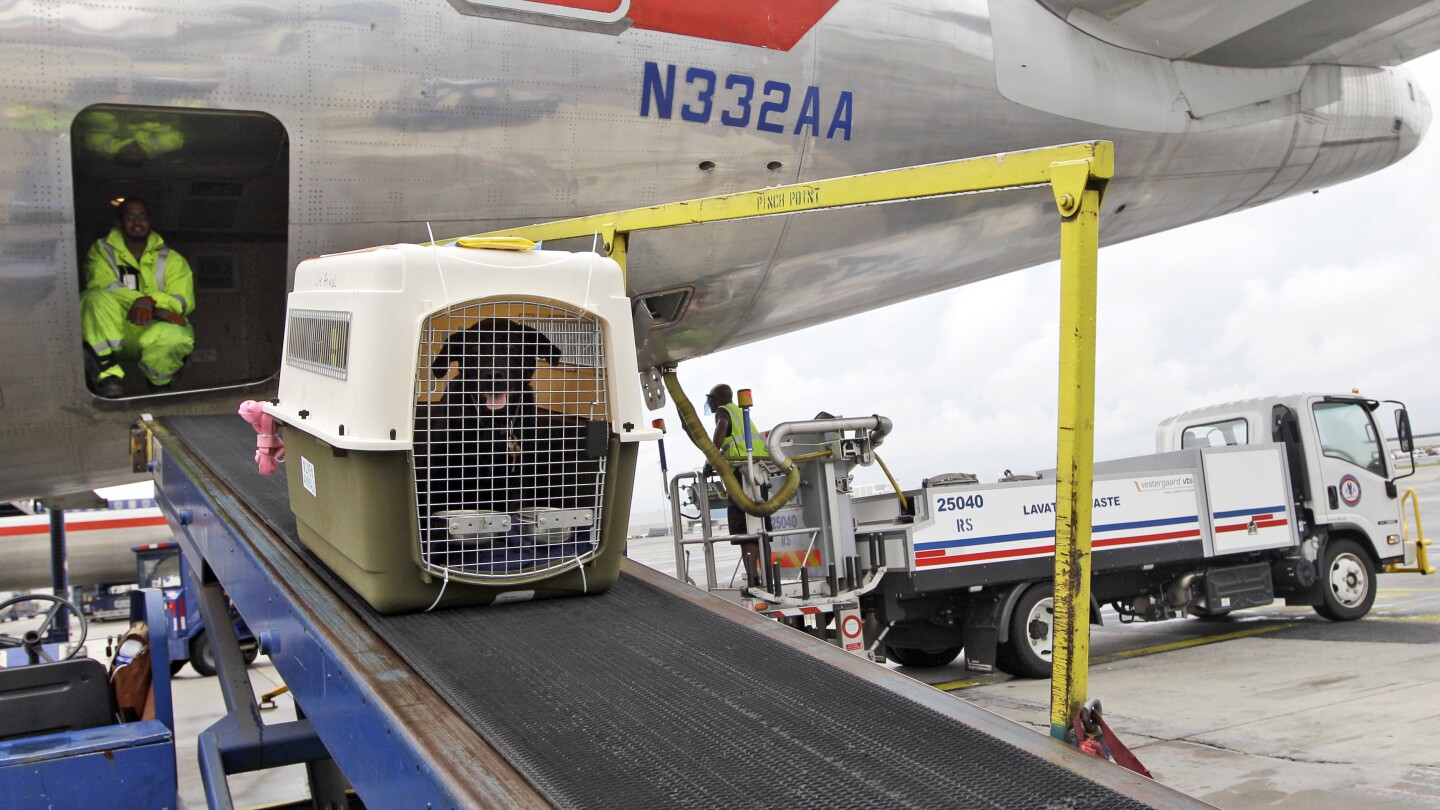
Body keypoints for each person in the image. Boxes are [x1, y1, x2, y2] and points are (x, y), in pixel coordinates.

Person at [80, 199, 195, 397]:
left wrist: (150, 303)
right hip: (116, 327)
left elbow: (182, 299)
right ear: (119, 223)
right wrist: (145, 303)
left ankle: (159, 385)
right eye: (130, 217)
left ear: (150, 221)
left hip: (152, 328)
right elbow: (100, 283)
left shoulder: (172, 259)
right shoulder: (101, 251)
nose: (137, 222)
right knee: (93, 298)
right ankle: (107, 377)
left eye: (142, 217)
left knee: (178, 332)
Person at [707, 384, 771, 573]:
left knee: (745, 532)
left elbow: (722, 426)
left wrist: (712, 458)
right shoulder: (741, 414)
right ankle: (769, 579)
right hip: (758, 473)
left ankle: (753, 579)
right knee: (761, 530)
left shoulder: (723, 411)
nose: (710, 404)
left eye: (711, 399)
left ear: (718, 398)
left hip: (740, 474)